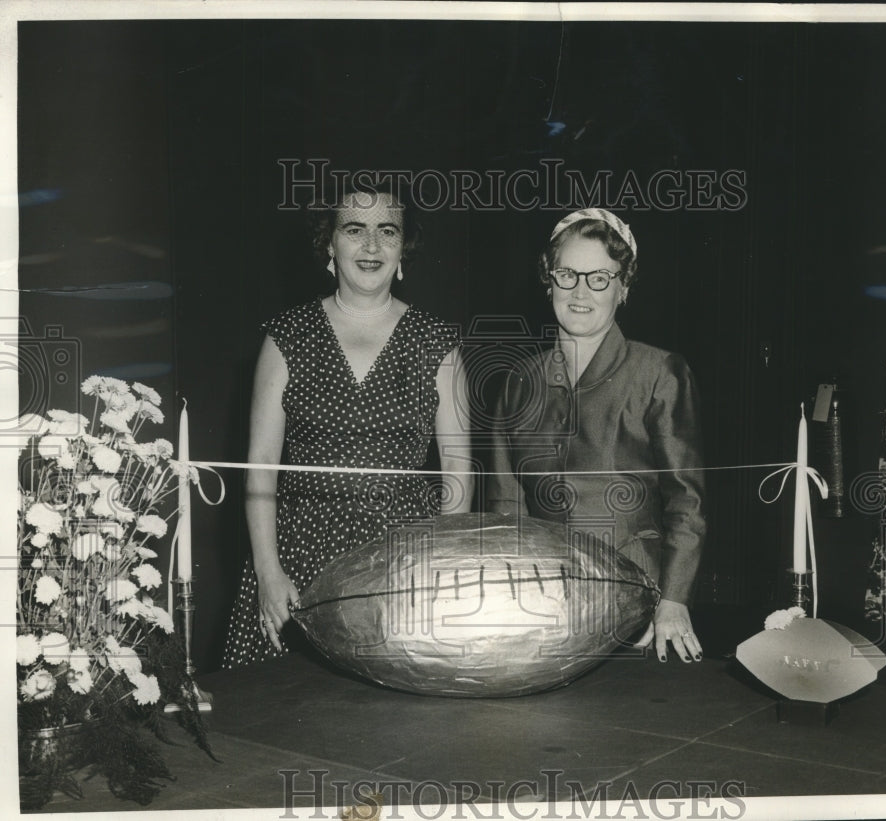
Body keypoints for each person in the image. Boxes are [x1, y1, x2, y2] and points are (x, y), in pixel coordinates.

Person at [222, 185, 471, 668]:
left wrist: (438, 568)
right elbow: (260, 466)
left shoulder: (437, 343)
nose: (372, 245)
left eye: (387, 230)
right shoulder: (287, 336)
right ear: (330, 245)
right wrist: (268, 572)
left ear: (403, 248)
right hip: (298, 559)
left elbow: (458, 471)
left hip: (403, 563)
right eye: (354, 229)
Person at [485, 208, 706, 664]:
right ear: (548, 280)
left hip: (636, 608)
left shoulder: (659, 372)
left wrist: (674, 600)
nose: (581, 291)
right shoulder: (517, 381)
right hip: (540, 607)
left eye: (600, 278)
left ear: (623, 287)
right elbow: (506, 506)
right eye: (567, 274)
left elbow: (687, 500)